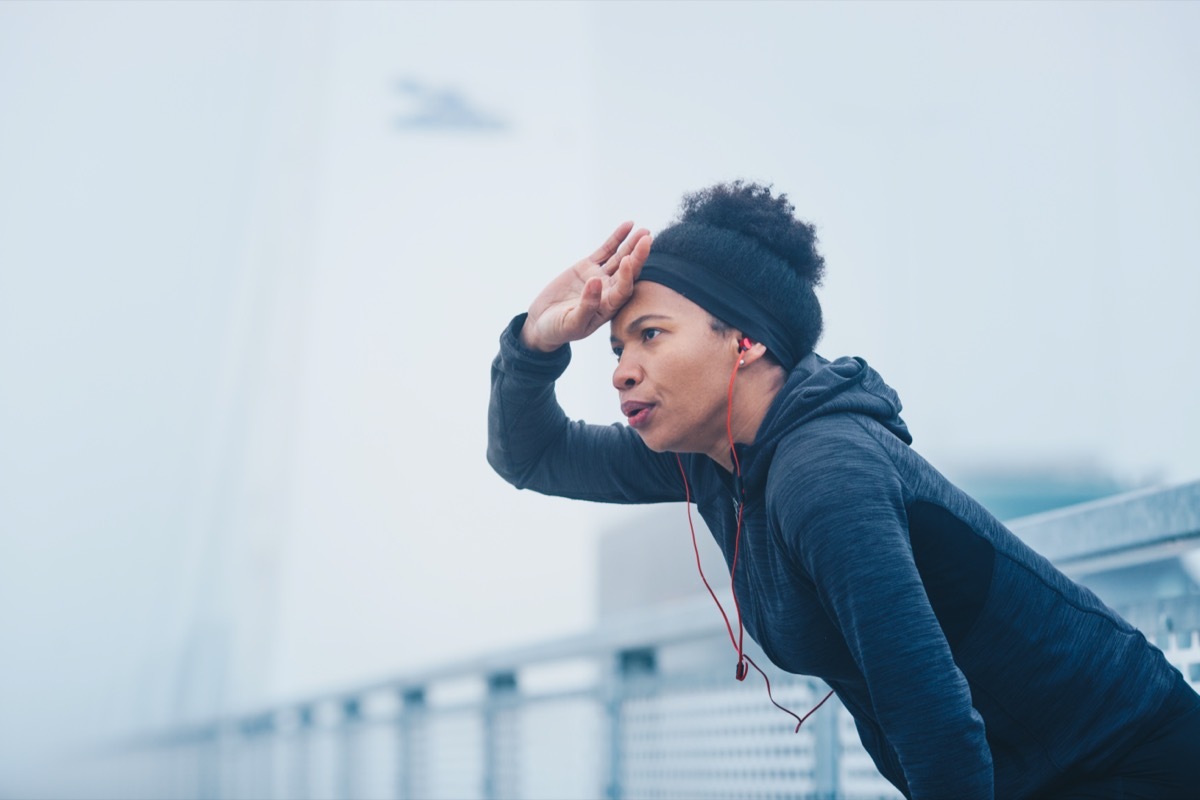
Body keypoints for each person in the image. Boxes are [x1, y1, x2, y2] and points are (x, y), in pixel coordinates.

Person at [487, 181, 1200, 799]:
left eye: (650, 335)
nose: (620, 369)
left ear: (745, 340)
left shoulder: (825, 473)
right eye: (617, 348)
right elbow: (533, 456)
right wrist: (537, 340)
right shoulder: (713, 457)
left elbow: (934, 719)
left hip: (1126, 765)